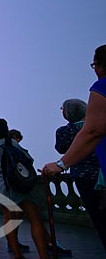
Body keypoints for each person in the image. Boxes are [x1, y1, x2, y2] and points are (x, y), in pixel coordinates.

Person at [43, 44, 106, 252]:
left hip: (86, 176)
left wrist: (61, 164)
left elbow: (90, 133)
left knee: (102, 222)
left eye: (95, 65)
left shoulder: (101, 87)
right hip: (99, 172)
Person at [0, 118, 48, 259]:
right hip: (14, 182)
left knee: (9, 218)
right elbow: (28, 159)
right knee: (34, 218)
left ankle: (16, 253)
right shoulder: (10, 143)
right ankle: (44, 255)